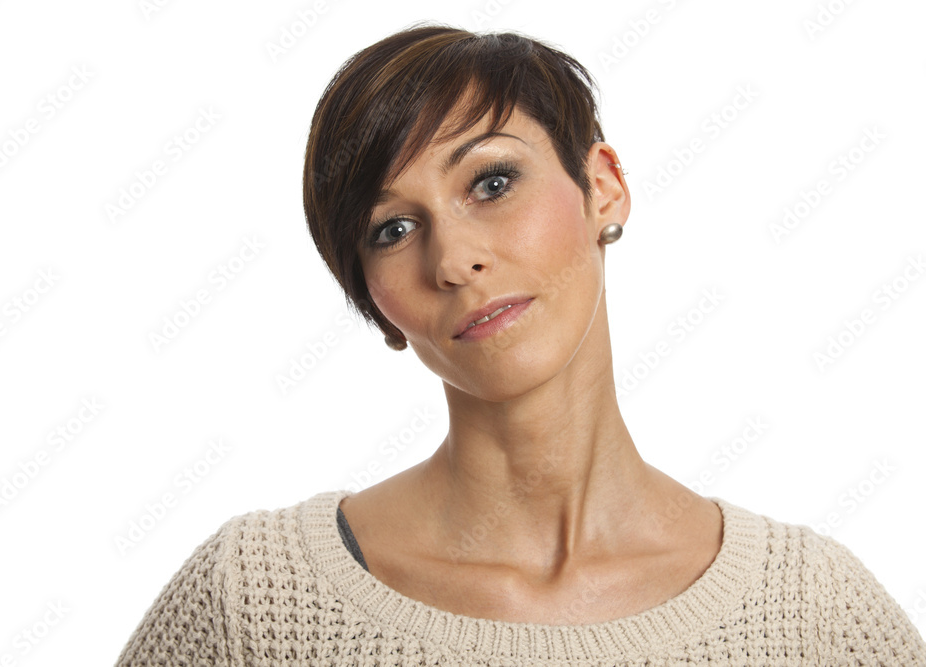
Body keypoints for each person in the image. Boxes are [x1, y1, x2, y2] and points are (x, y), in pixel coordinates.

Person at [114, 22, 926, 665]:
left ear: (603, 186)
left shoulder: (808, 613)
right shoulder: (258, 600)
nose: (453, 258)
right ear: (373, 300)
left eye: (492, 182)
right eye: (393, 229)